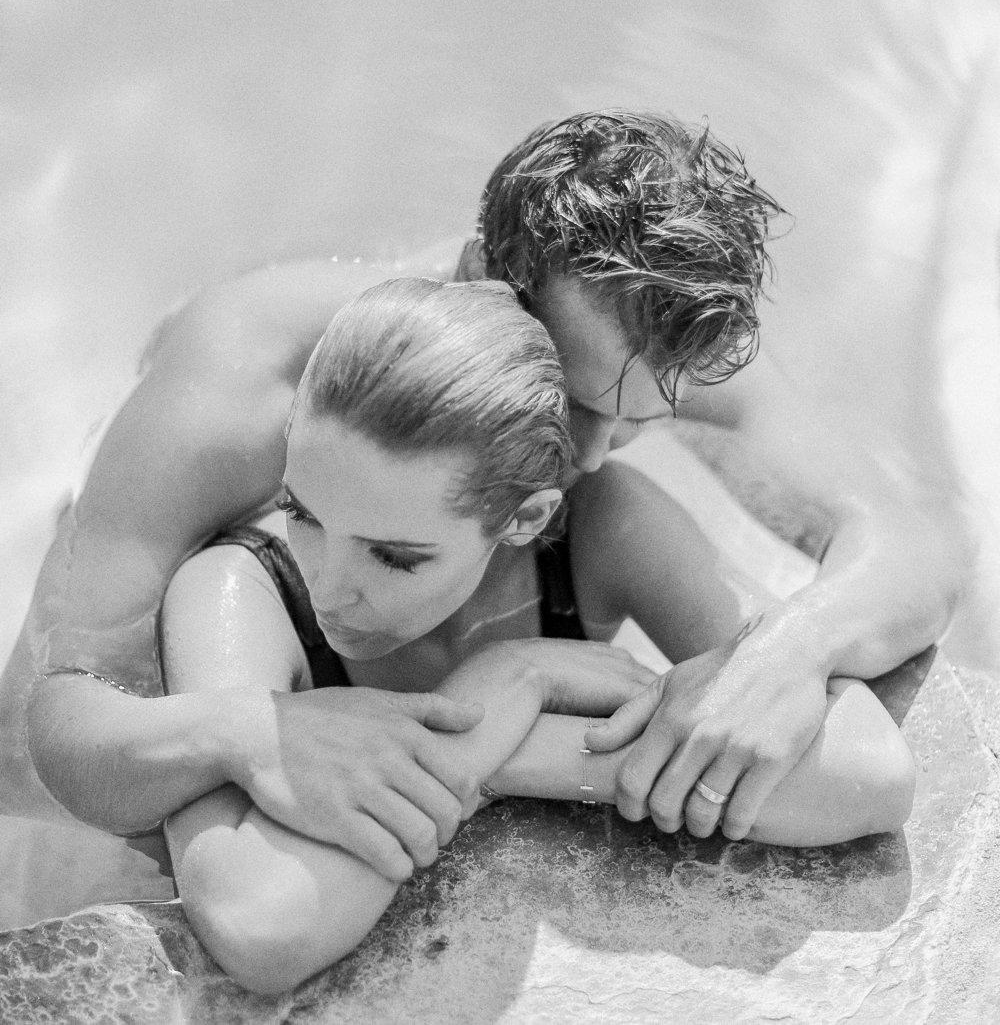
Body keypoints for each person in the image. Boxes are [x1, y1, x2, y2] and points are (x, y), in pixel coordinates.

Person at [28, 109, 968, 882]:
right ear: (486, 273)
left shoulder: (630, 337)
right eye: (578, 403)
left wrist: (788, 651)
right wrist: (248, 730)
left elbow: (914, 537)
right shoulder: (243, 390)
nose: (591, 458)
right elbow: (63, 710)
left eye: (638, 419)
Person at [157, 278, 913, 996]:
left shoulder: (598, 527)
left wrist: (494, 718)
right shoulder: (242, 590)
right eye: (304, 510)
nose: (328, 584)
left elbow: (868, 767)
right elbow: (257, 923)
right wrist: (495, 711)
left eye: (395, 555)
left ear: (523, 518)